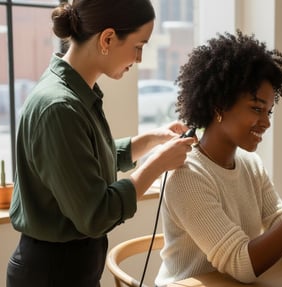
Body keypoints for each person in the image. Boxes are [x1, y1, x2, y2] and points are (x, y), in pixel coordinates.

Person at [6, 1, 194, 287]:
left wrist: (152, 139)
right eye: (139, 46)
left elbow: (83, 163)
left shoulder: (75, 93)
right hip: (51, 275)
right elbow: (96, 214)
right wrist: (157, 164)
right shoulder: (60, 107)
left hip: (69, 269)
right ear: (107, 38)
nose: (140, 59)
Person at [155, 30, 282, 286]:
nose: (265, 122)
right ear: (219, 106)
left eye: (269, 112)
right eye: (256, 109)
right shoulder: (186, 175)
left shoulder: (249, 164)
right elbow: (242, 265)